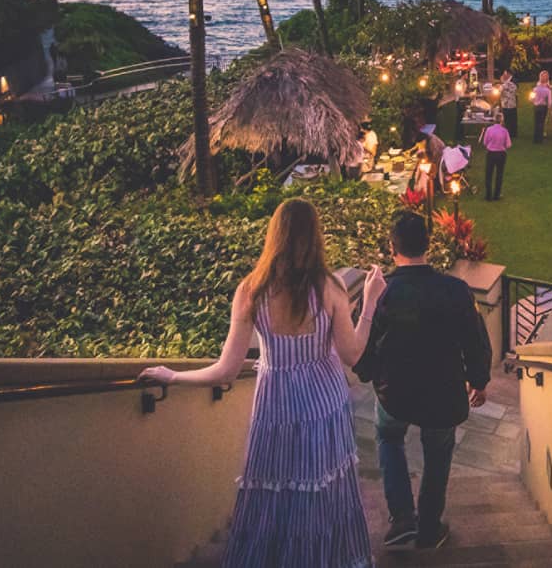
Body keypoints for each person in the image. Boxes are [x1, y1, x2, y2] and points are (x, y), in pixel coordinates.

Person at [139, 199, 382, 565]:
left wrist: (172, 376)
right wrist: (371, 304)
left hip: (276, 406)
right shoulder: (329, 287)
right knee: (321, 492)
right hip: (324, 404)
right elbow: (352, 354)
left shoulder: (250, 291)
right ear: (314, 238)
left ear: (274, 236)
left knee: (274, 489)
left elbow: (225, 370)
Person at [354, 211, 492, 552]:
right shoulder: (456, 290)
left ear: (391, 248)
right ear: (428, 244)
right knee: (438, 453)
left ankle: (402, 517)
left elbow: (365, 345)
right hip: (443, 395)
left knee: (388, 438)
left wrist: (368, 373)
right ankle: (428, 526)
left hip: (394, 393)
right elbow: (476, 340)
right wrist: (479, 381)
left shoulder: (382, 294)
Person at [480, 112, 510, 200]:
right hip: (501, 154)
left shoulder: (489, 130)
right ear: (502, 121)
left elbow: (485, 142)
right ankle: (497, 195)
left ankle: (488, 195)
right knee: (499, 174)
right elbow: (508, 144)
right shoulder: (504, 131)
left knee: (489, 174)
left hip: (491, 153)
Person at [531, 71, 552, 144]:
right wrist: (549, 107)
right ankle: (540, 139)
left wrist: (534, 102)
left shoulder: (535, 89)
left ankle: (536, 138)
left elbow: (531, 98)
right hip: (543, 107)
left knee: (536, 122)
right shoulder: (547, 90)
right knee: (541, 123)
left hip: (536, 106)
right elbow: (549, 102)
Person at [498, 71, 518, 138]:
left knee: (508, 119)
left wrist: (502, 83)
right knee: (511, 119)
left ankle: (510, 133)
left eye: (505, 74)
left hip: (508, 104)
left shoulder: (509, 83)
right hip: (509, 104)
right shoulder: (509, 83)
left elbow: (500, 90)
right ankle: (512, 133)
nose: (503, 75)